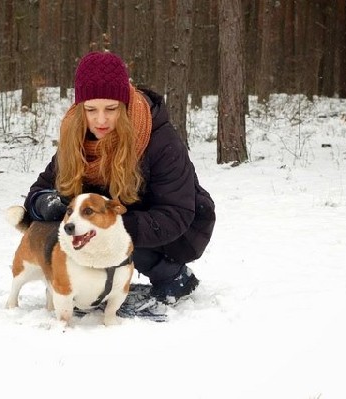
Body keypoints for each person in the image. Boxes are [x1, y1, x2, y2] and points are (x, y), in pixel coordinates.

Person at [23, 51, 215, 304]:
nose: (100, 120)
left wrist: (110, 225)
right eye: (91, 109)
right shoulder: (76, 136)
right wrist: (49, 206)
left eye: (111, 109)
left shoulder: (161, 139)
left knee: (101, 227)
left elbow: (175, 213)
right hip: (104, 223)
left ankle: (172, 275)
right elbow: (39, 192)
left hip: (175, 231)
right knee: (66, 222)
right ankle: (88, 284)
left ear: (124, 106)